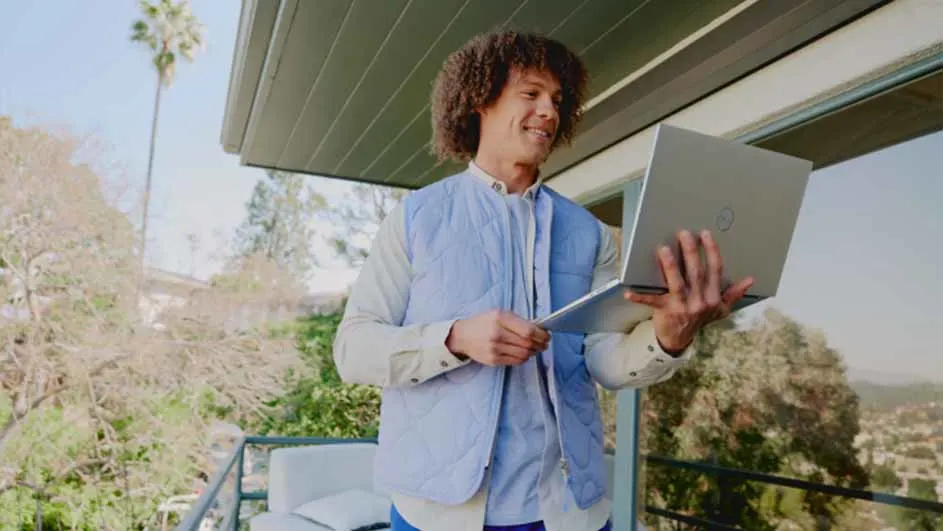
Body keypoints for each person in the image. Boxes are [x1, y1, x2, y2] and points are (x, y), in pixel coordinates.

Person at [333, 29, 753, 531]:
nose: (549, 112)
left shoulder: (587, 232)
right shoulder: (416, 218)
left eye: (557, 100)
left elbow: (602, 360)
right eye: (530, 94)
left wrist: (670, 336)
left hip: (567, 512)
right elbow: (352, 349)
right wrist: (456, 337)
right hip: (437, 513)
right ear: (479, 100)